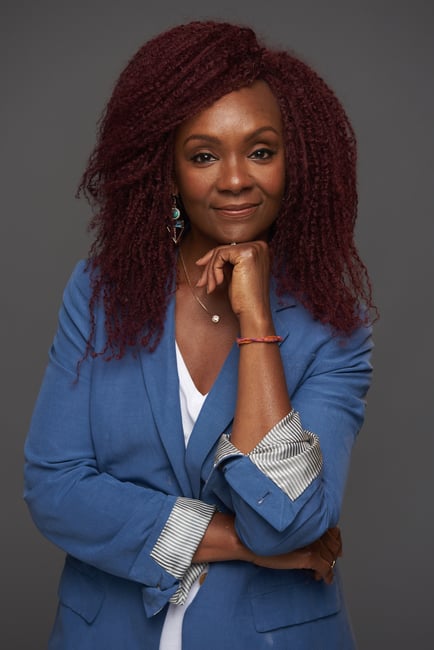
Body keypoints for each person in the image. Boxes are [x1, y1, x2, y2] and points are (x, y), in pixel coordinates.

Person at [24, 20, 375, 650]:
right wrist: (249, 545)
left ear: (296, 163)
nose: (236, 178)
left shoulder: (333, 326)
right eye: (205, 154)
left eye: (261, 151)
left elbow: (289, 518)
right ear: (168, 169)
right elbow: (55, 488)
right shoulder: (100, 293)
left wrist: (258, 322)